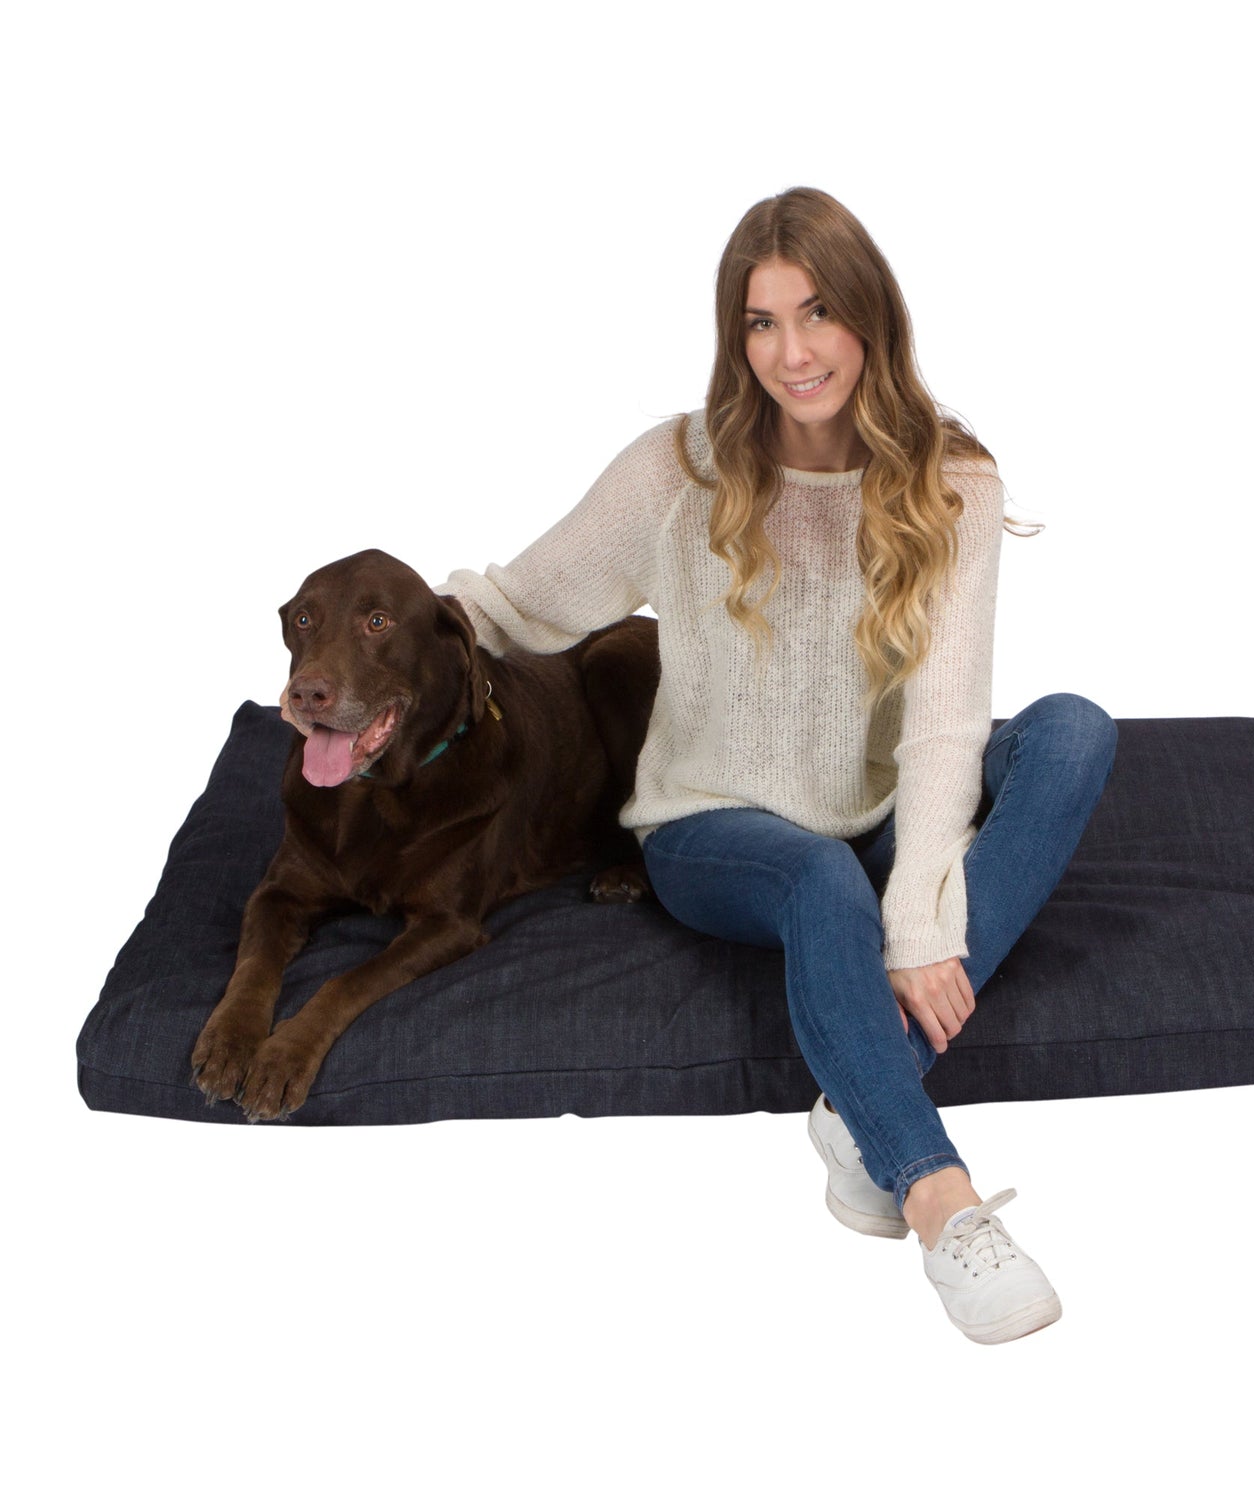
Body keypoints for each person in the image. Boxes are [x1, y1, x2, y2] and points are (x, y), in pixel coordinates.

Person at [442, 186, 1117, 1344]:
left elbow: (948, 726)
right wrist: (397, 640)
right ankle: (937, 1200)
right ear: (734, 336)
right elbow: (527, 603)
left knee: (1074, 731)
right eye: (761, 323)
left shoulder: (952, 479)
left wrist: (920, 913)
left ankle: (862, 1101)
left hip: (879, 809)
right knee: (819, 881)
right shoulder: (680, 470)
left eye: (816, 314)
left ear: (870, 319)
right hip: (715, 826)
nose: (792, 352)